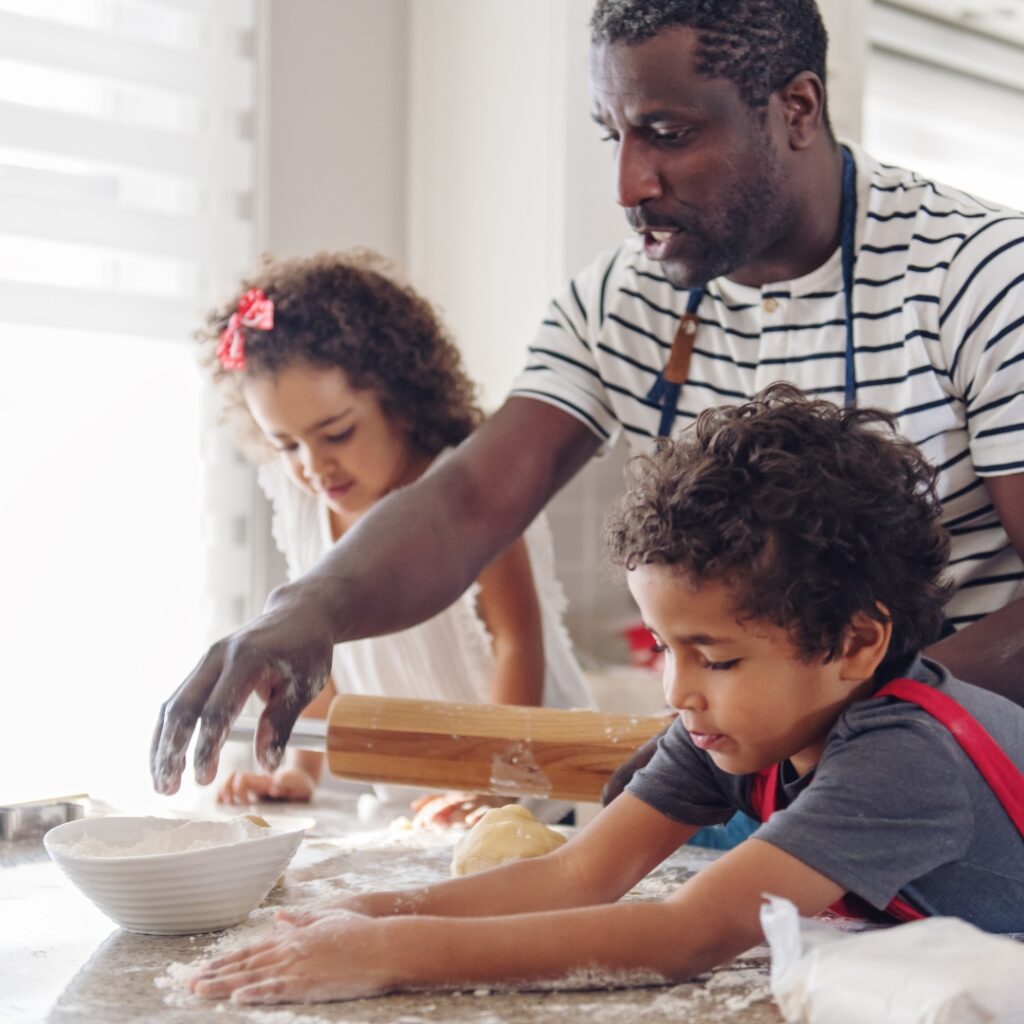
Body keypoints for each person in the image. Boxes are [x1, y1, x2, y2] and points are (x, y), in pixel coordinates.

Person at [151, 0, 1024, 797]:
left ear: (796, 109)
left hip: (965, 782)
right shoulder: (622, 299)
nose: (629, 184)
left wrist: (853, 724)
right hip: (757, 787)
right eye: (614, 135)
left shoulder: (979, 279)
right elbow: (464, 503)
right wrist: (306, 610)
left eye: (669, 133)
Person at [186, 384, 1024, 1006]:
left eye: (716, 658)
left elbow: (686, 934)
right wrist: (362, 915)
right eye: (663, 647)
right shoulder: (728, 731)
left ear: (854, 643)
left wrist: (395, 951)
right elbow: (580, 872)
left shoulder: (906, 761)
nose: (678, 691)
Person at [197, 250, 591, 824]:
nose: (314, 465)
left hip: (531, 792)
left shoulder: (467, 497)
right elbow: (320, 659)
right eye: (287, 445)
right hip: (413, 798)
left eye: (337, 433)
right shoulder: (306, 507)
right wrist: (298, 771)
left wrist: (495, 785)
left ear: (401, 401)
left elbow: (517, 644)